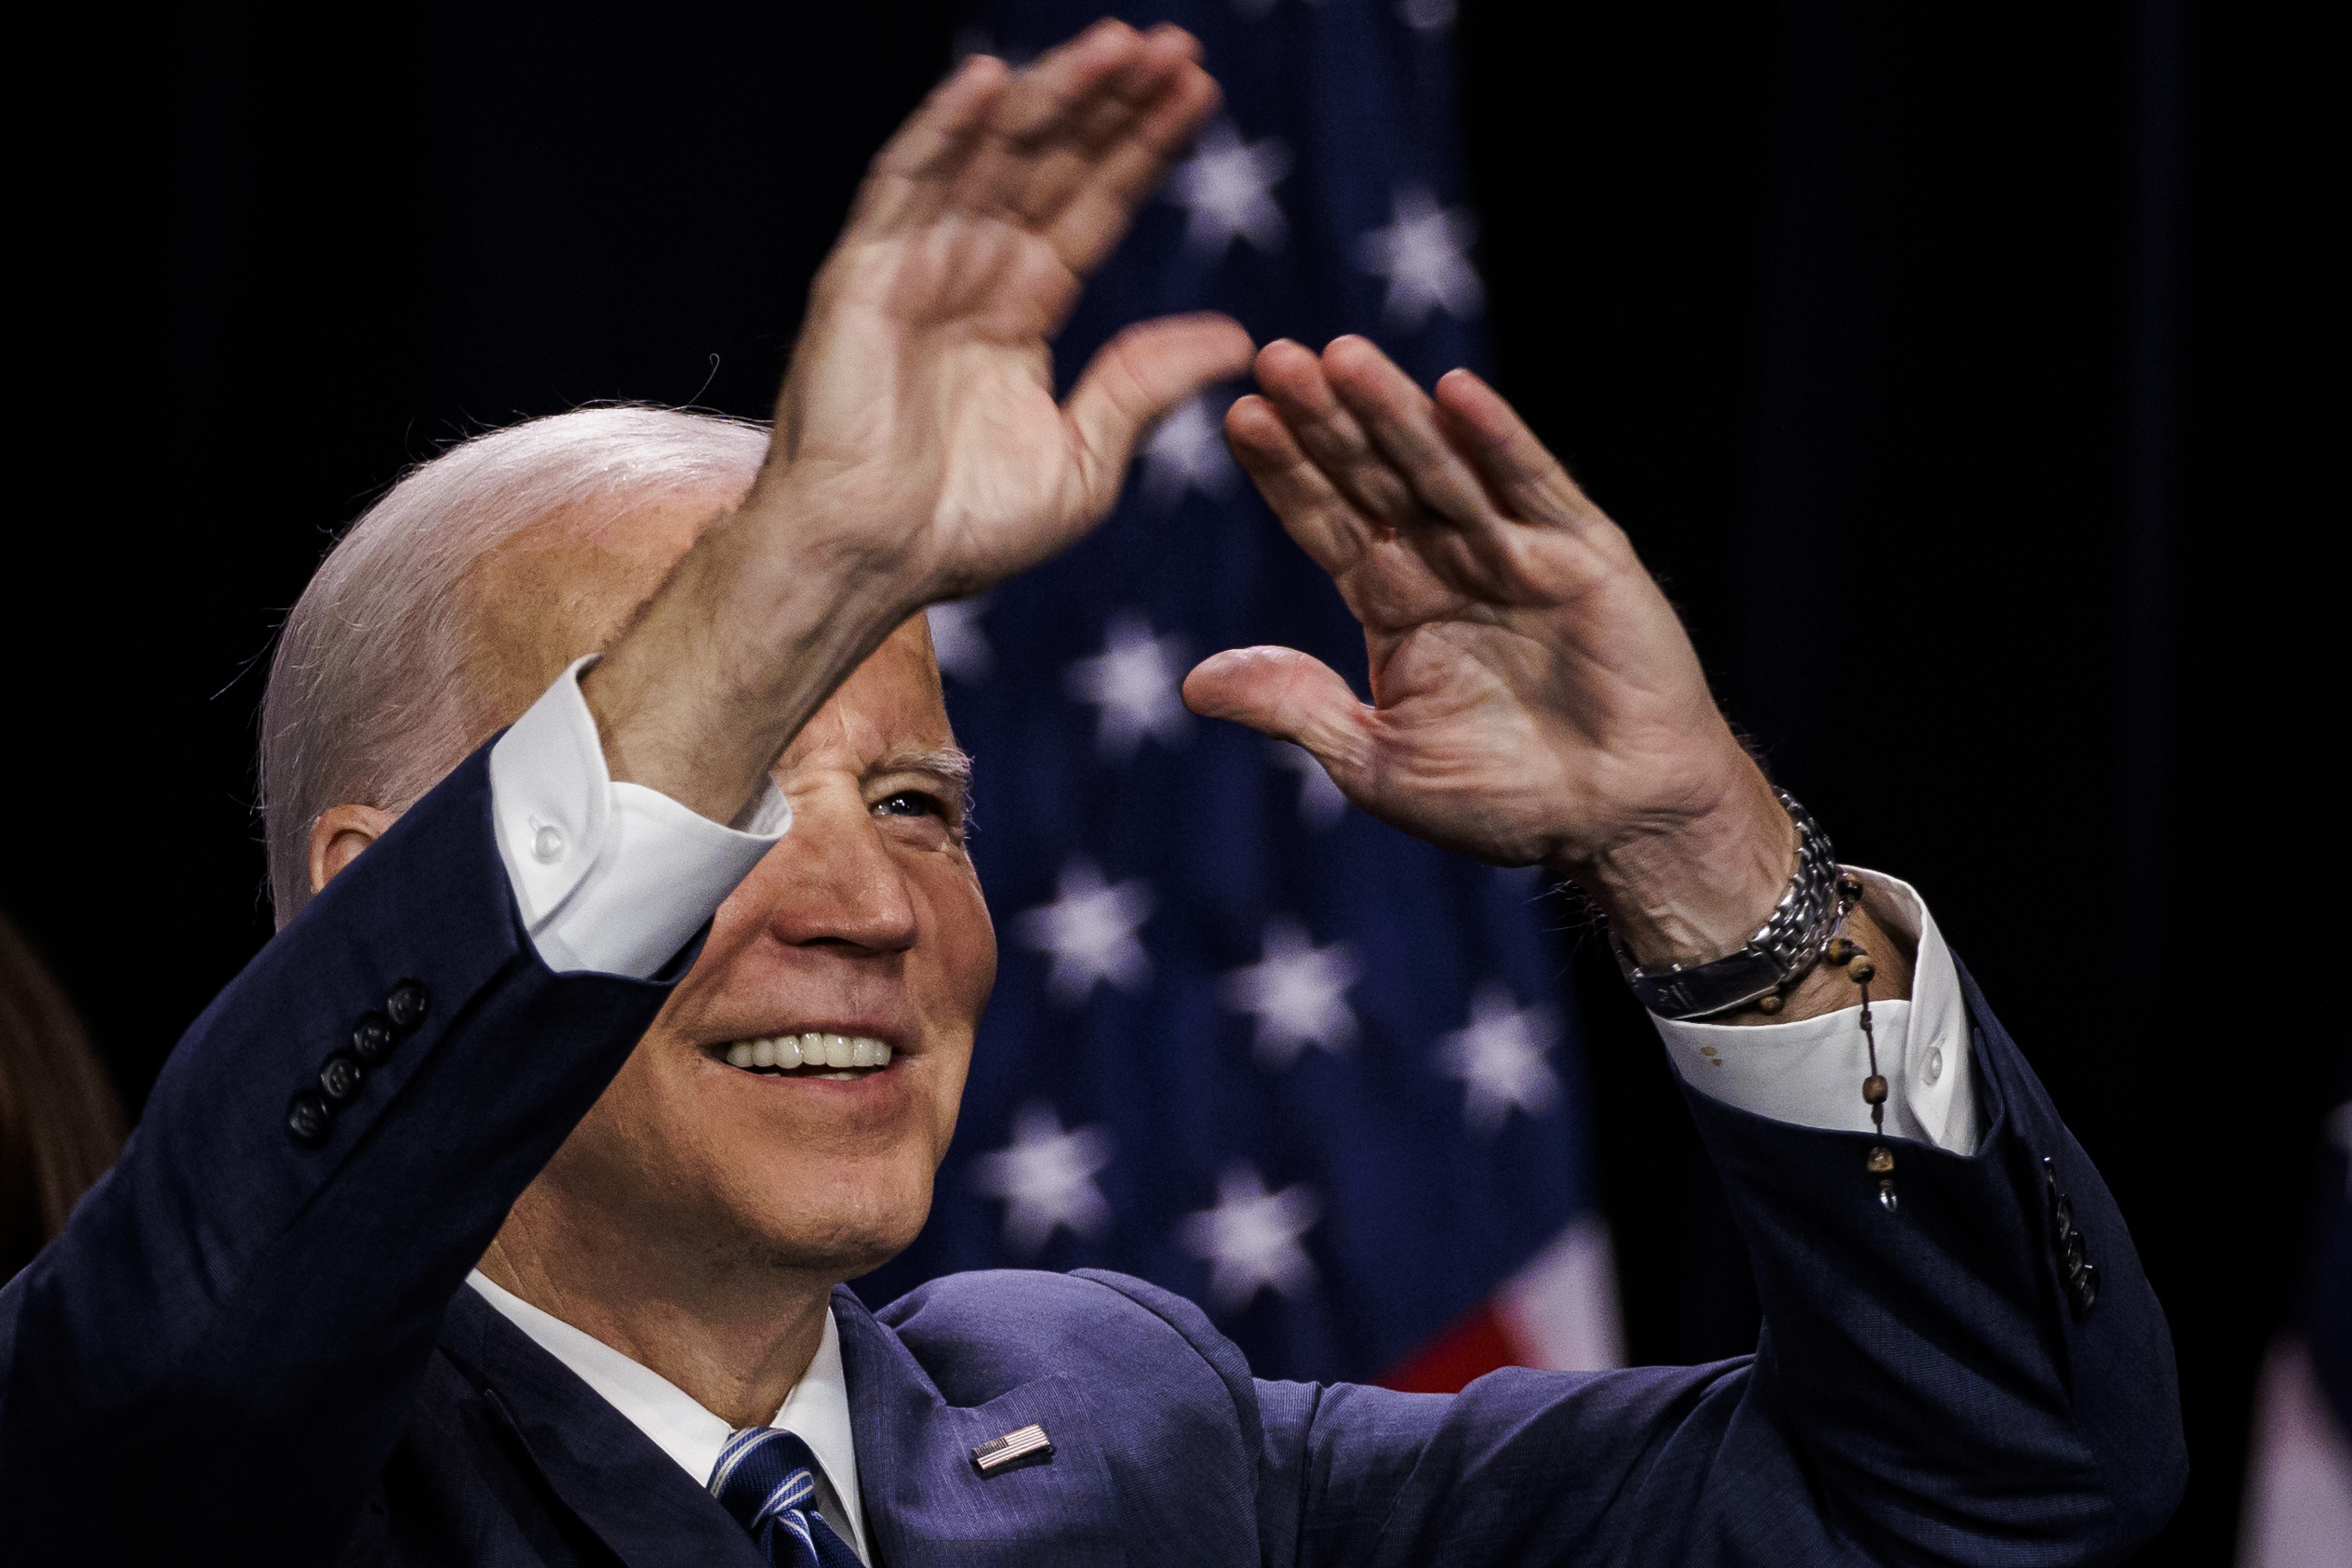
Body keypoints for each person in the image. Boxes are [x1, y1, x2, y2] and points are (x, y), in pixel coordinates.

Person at [0, 20, 2183, 1564]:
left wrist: (1707, 862)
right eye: (735, 785)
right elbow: (194, 1351)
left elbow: (1995, 1489)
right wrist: (800, 567)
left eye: (925, 805)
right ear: (375, 900)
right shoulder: (214, 1463)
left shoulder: (1132, 1443)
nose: (866, 906)